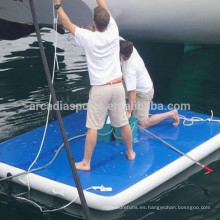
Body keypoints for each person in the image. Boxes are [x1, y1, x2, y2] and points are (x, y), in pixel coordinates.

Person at [53, 0, 135, 171]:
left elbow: (66, 23)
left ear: (93, 22)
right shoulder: (114, 30)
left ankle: (86, 163)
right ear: (107, 20)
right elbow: (104, 7)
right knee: (123, 123)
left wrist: (57, 5)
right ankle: (130, 152)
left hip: (100, 89)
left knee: (93, 127)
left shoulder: (88, 36)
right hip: (117, 86)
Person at [120, 39, 180, 127]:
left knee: (143, 123)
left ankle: (172, 114)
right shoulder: (129, 48)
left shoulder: (129, 70)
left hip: (143, 93)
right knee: (113, 88)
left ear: (121, 54)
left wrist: (129, 112)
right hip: (139, 83)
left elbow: (132, 93)